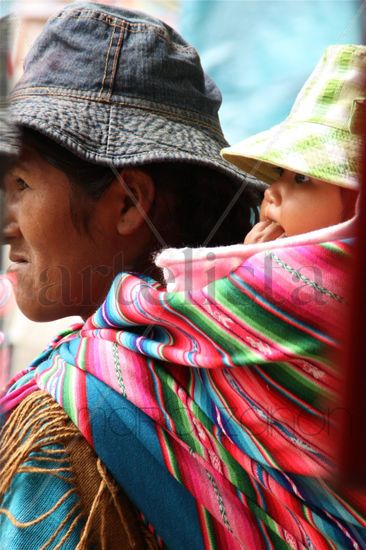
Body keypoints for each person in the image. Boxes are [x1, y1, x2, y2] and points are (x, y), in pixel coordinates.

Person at [0, 7, 364, 550]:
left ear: (127, 203)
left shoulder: (72, 413)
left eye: (21, 185)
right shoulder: (287, 373)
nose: (7, 225)